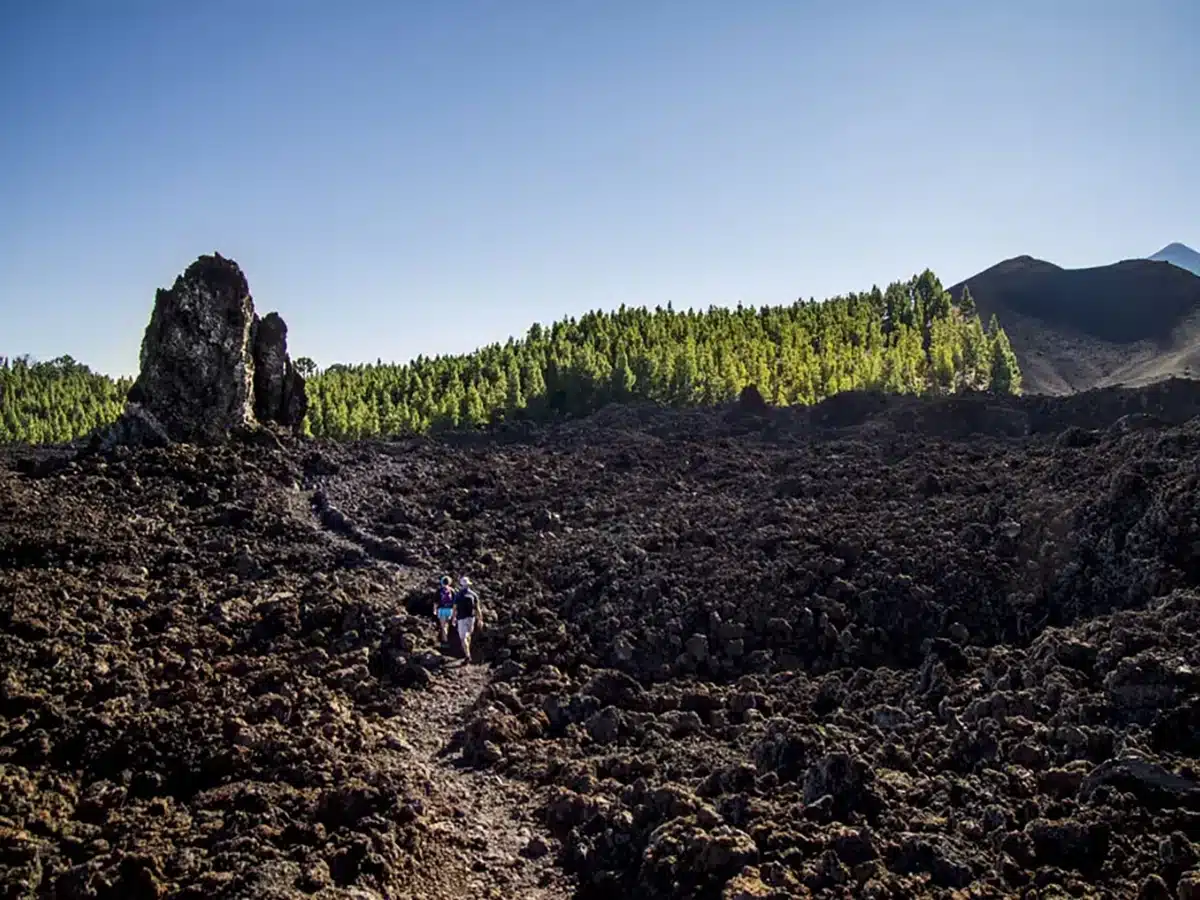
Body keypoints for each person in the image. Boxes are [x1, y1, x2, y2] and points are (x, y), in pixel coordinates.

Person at [451, 575, 482, 663]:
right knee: (468, 635)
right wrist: (480, 619)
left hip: (461, 618)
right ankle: (467, 651)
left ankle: (467, 655)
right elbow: (478, 608)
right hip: (471, 618)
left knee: (463, 638)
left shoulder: (458, 595)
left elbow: (454, 608)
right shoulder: (473, 594)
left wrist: (453, 618)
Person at [434, 575, 455, 644]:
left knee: (443, 626)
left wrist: (435, 610)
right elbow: (455, 602)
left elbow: (436, 602)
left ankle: (445, 641)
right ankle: (445, 639)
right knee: (447, 625)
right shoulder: (452, 590)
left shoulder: (439, 590)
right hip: (449, 610)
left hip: (442, 609)